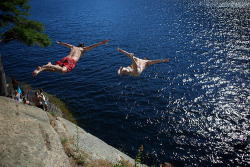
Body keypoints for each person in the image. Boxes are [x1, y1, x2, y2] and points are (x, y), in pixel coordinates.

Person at [33, 39, 109, 76]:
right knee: (62, 71)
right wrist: (101, 43)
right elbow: (92, 46)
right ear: (83, 47)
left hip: (65, 58)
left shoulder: (73, 47)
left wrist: (60, 43)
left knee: (53, 70)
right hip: (71, 61)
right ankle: (50, 65)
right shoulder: (82, 49)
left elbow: (65, 44)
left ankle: (40, 70)